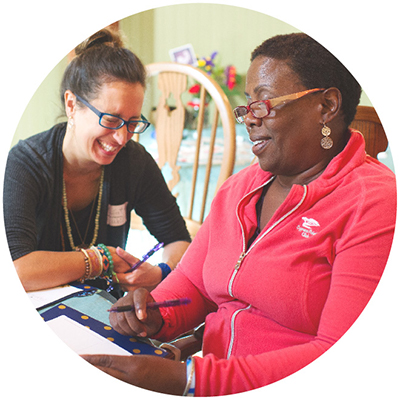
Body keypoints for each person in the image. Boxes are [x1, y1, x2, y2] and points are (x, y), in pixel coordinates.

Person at [83, 32, 396, 396]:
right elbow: (194, 283)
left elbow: (338, 354)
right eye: (247, 105)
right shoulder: (240, 188)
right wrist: (154, 313)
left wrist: (191, 379)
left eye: (264, 104)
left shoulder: (373, 202)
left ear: (326, 106)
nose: (248, 118)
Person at [3, 29, 191, 297]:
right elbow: (17, 271)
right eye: (111, 120)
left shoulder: (134, 162)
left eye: (132, 123)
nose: (121, 137)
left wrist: (160, 272)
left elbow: (179, 240)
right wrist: (99, 259)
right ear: (72, 105)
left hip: (105, 310)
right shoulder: (27, 164)